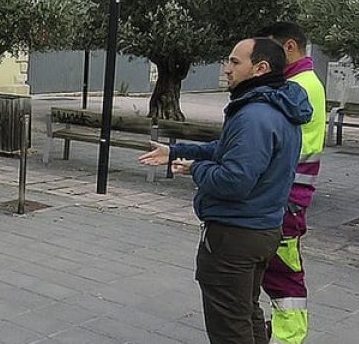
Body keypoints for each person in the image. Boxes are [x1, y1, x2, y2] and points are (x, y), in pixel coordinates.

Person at [139, 38, 310, 344]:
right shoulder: (277, 105)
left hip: (235, 236)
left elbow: (234, 181)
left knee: (230, 328)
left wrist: (196, 169)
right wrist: (178, 150)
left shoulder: (255, 115)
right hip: (261, 228)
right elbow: (228, 149)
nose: (226, 69)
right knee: (246, 313)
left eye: (234, 62)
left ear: (260, 68)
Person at [253, 22, 327, 344]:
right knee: (278, 269)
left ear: (290, 47)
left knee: (284, 273)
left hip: (289, 195)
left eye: (270, 50)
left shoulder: (299, 86)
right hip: (290, 194)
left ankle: (289, 336)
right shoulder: (301, 82)